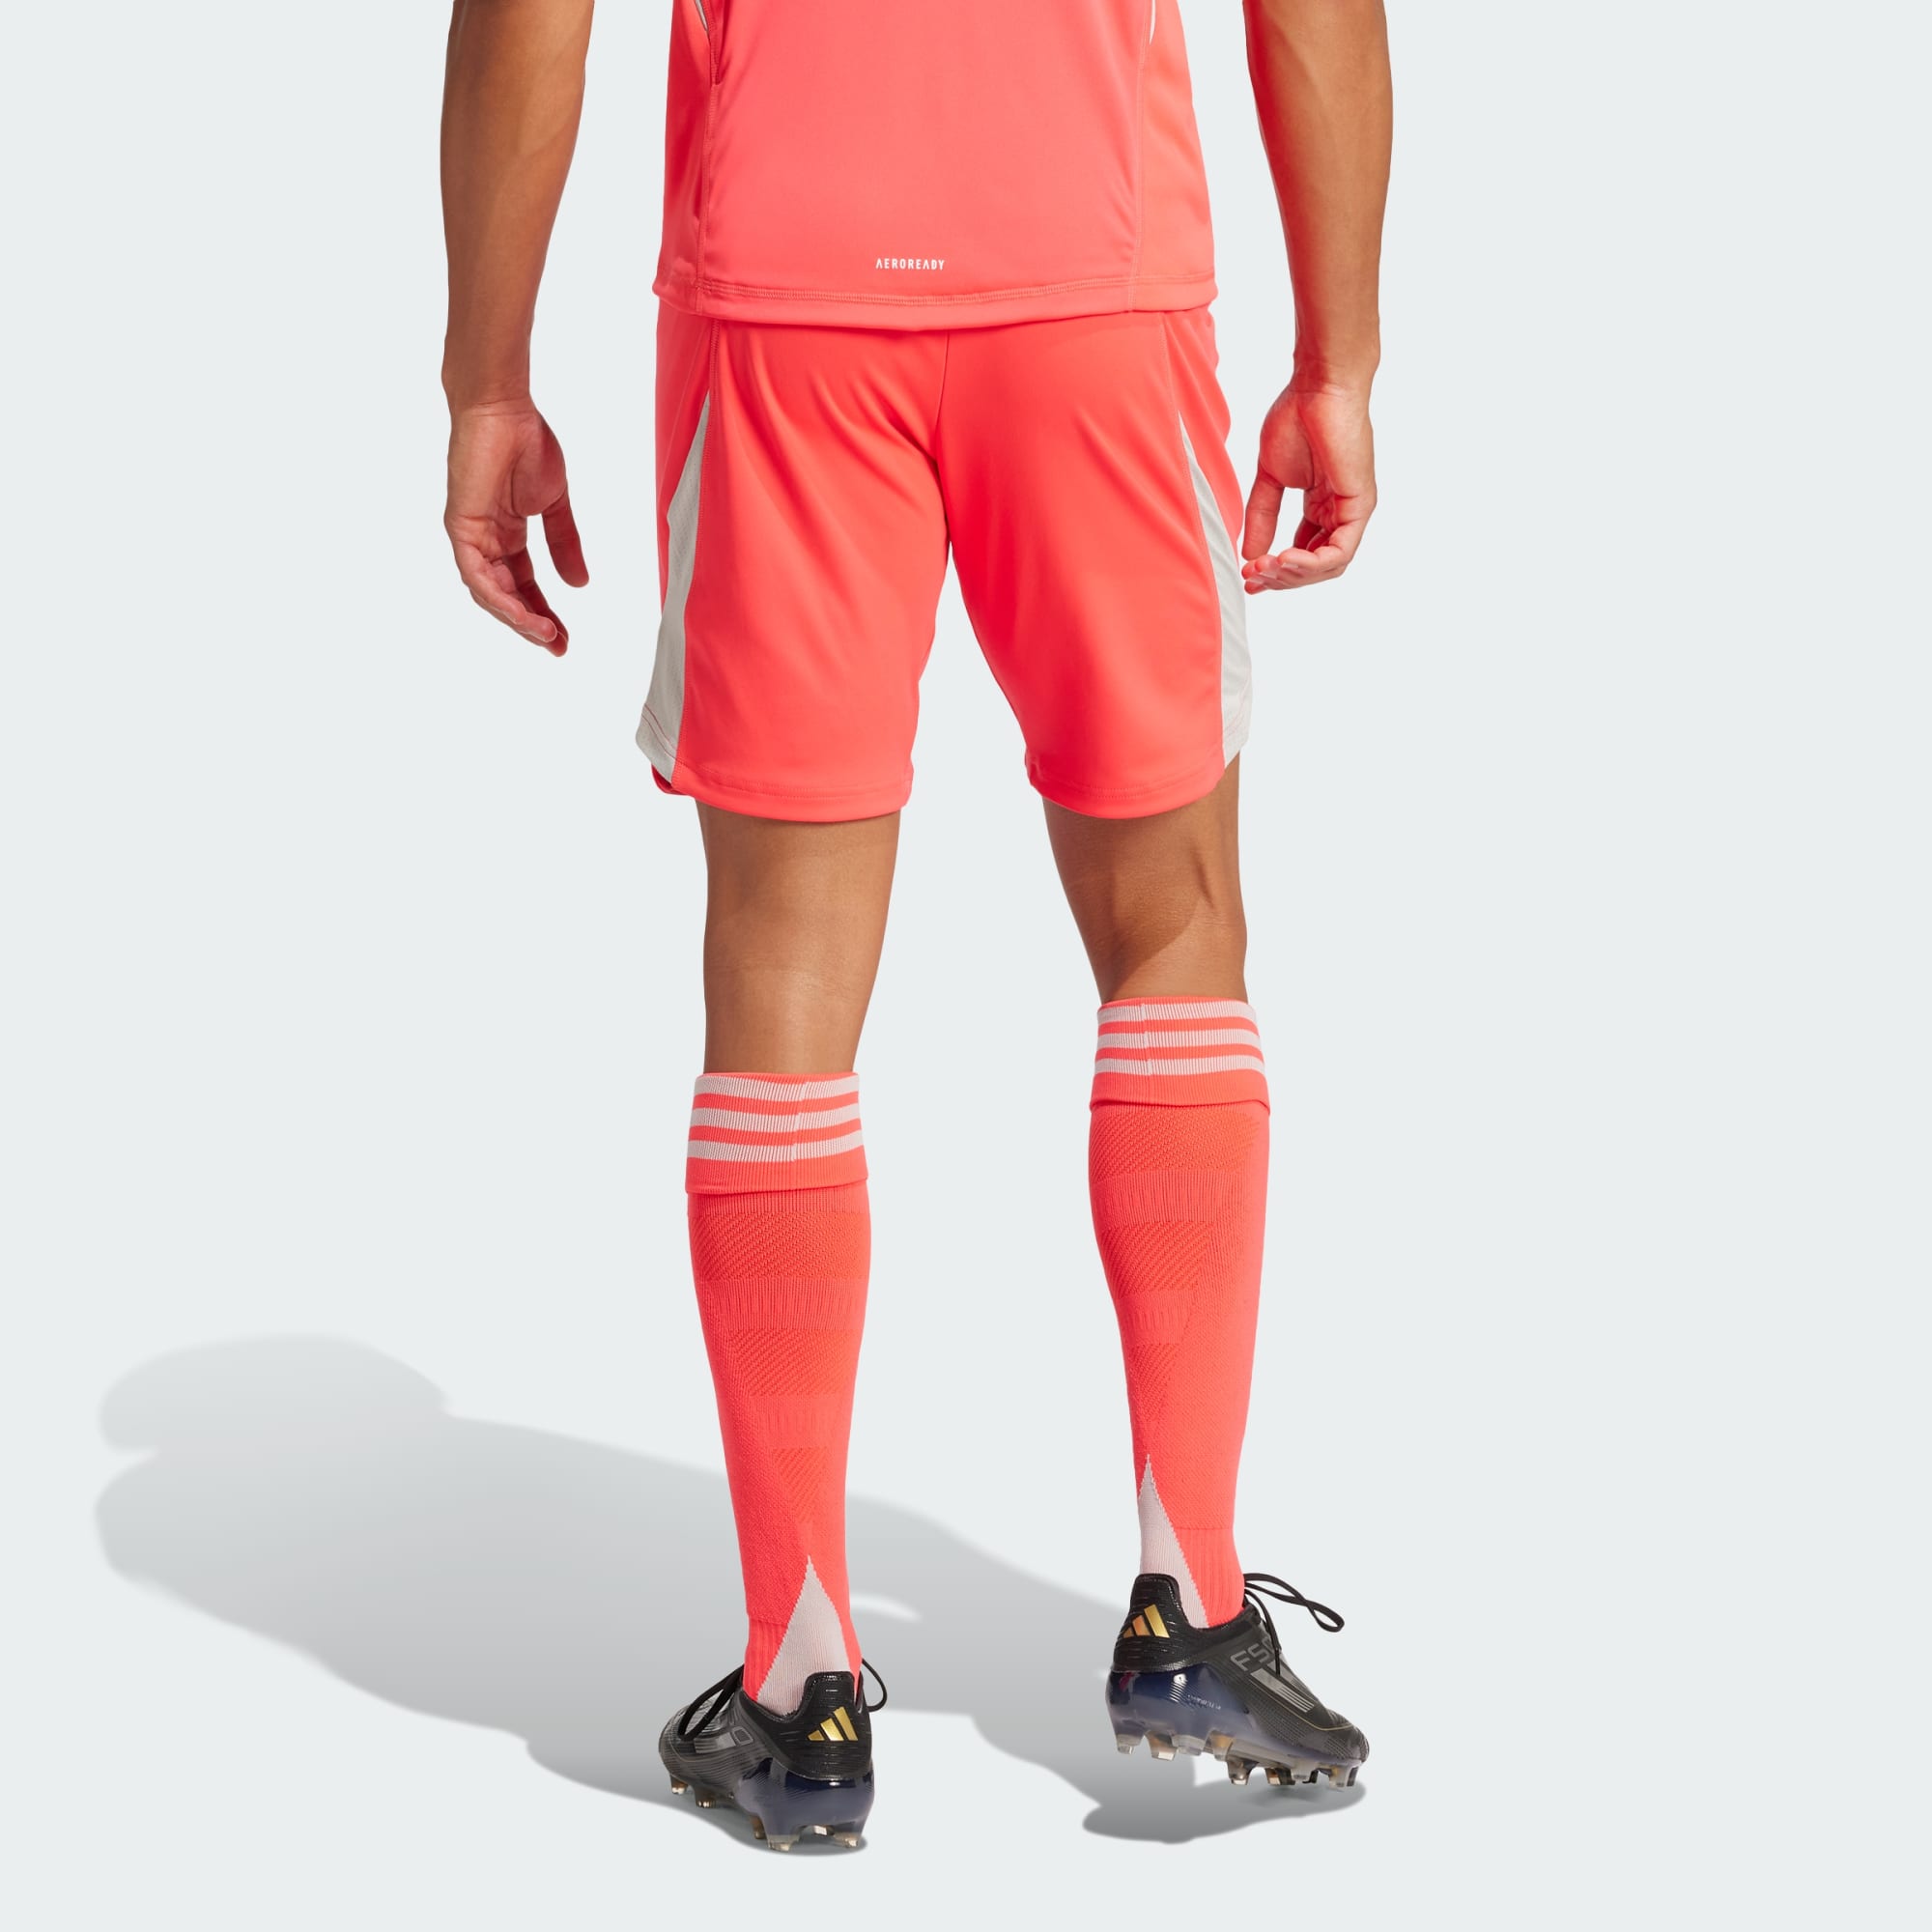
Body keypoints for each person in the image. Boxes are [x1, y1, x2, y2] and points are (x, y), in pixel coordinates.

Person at [440, 0, 1392, 1851]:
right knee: (1175, 920)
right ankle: (1191, 1608)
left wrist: (489, 380)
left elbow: (528, 15)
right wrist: (1337, 356)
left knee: (782, 970)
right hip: (1096, 283)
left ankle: (800, 1683)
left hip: (786, 298)